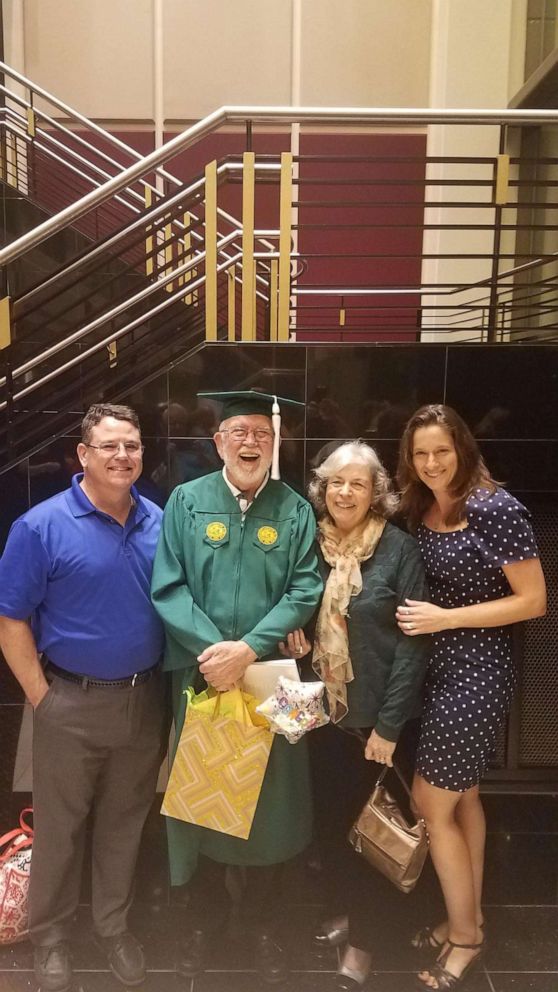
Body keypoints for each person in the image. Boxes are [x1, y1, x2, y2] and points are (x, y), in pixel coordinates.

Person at [150, 389, 323, 984]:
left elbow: (306, 590)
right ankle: (201, 923)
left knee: (279, 800)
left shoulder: (295, 509)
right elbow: (167, 586)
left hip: (276, 674)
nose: (251, 442)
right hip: (200, 674)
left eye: (261, 434)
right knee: (199, 799)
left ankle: (267, 925)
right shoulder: (185, 501)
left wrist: (247, 649)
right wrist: (213, 653)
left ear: (274, 444)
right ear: (218, 441)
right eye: (238, 432)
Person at [0, 403, 166, 992]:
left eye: (133, 446)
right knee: (62, 827)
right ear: (84, 455)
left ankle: (113, 927)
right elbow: (11, 619)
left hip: (145, 703)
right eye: (111, 446)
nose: (124, 457)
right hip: (68, 701)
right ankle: (49, 937)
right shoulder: (41, 527)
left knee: (125, 823)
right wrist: (42, 698)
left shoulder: (161, 520)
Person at [396, 404, 546, 991]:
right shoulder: (425, 508)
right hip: (440, 671)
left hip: (478, 674)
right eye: (421, 454)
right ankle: (470, 915)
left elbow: (533, 600)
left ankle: (466, 938)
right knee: (463, 801)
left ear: (463, 449)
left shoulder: (493, 507)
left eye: (442, 451)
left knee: (431, 805)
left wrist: (444, 620)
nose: (432, 463)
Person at [282, 440, 430, 990]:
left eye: (359, 484)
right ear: (323, 488)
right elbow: (296, 616)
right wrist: (296, 647)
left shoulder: (398, 550)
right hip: (321, 716)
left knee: (374, 835)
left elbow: (414, 646)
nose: (345, 492)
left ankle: (365, 948)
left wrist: (389, 728)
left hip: (377, 723)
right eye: (336, 482)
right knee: (332, 827)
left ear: (377, 494)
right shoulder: (308, 544)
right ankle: (345, 913)